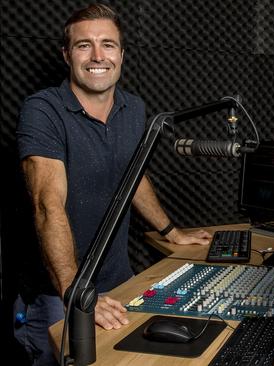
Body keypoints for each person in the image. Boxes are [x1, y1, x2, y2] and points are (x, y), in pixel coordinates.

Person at [13, 4, 212, 365]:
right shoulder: (42, 110)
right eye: (83, 45)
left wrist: (171, 231)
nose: (97, 56)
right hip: (58, 293)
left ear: (121, 54)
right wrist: (75, 292)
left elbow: (134, 178)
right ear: (66, 55)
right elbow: (47, 204)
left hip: (120, 282)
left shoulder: (132, 108)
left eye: (108, 44)